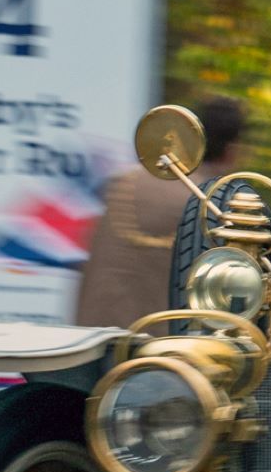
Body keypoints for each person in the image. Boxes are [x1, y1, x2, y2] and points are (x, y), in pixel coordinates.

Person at [73, 95, 247, 326]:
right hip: (165, 350)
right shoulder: (213, 203)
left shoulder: (122, 182)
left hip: (93, 340)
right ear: (231, 151)